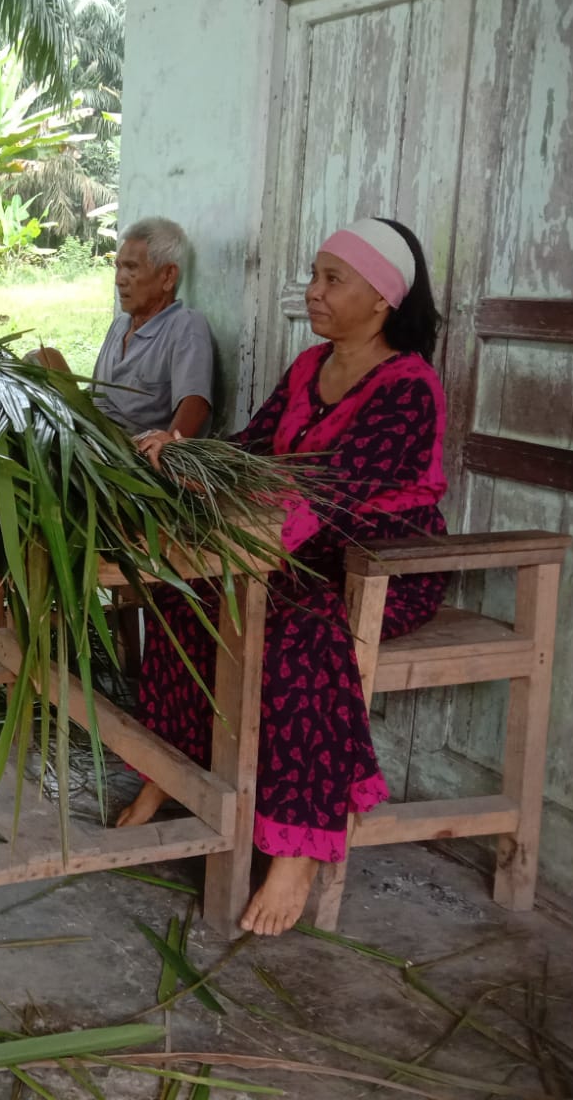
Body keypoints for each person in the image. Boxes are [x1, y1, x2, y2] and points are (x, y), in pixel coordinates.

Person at [119, 216, 447, 936]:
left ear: (384, 298)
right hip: (293, 551)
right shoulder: (309, 367)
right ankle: (173, 772)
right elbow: (252, 447)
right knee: (186, 597)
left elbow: (334, 488)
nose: (314, 291)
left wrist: (243, 527)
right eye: (315, 275)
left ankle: (299, 843)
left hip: (378, 563)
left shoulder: (409, 387)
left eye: (333, 279)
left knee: (296, 633)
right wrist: (181, 454)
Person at [88, 217, 214, 439]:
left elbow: (196, 404)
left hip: (129, 454)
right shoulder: (119, 325)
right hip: (91, 439)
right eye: (118, 267)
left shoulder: (184, 325)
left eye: (131, 268)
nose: (119, 280)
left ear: (167, 276)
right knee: (42, 358)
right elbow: (94, 396)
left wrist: (168, 442)